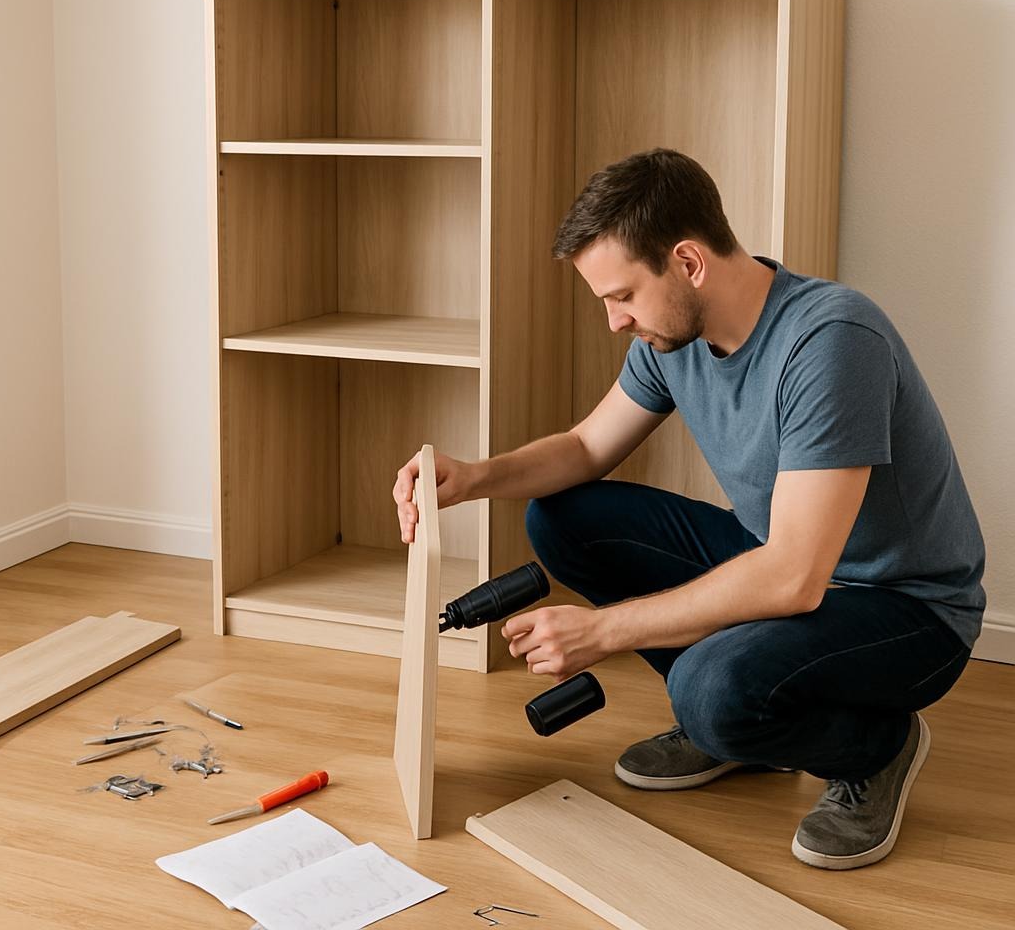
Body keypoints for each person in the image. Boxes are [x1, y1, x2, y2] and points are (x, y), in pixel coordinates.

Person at [392, 148, 985, 870]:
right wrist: (473, 477)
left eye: (622, 296)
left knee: (708, 694)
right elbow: (584, 447)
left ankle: (877, 748)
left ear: (688, 262)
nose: (614, 321)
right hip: (783, 563)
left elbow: (795, 577)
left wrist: (603, 631)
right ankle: (746, 721)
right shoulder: (672, 335)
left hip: (904, 610)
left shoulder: (831, 341)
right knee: (561, 516)